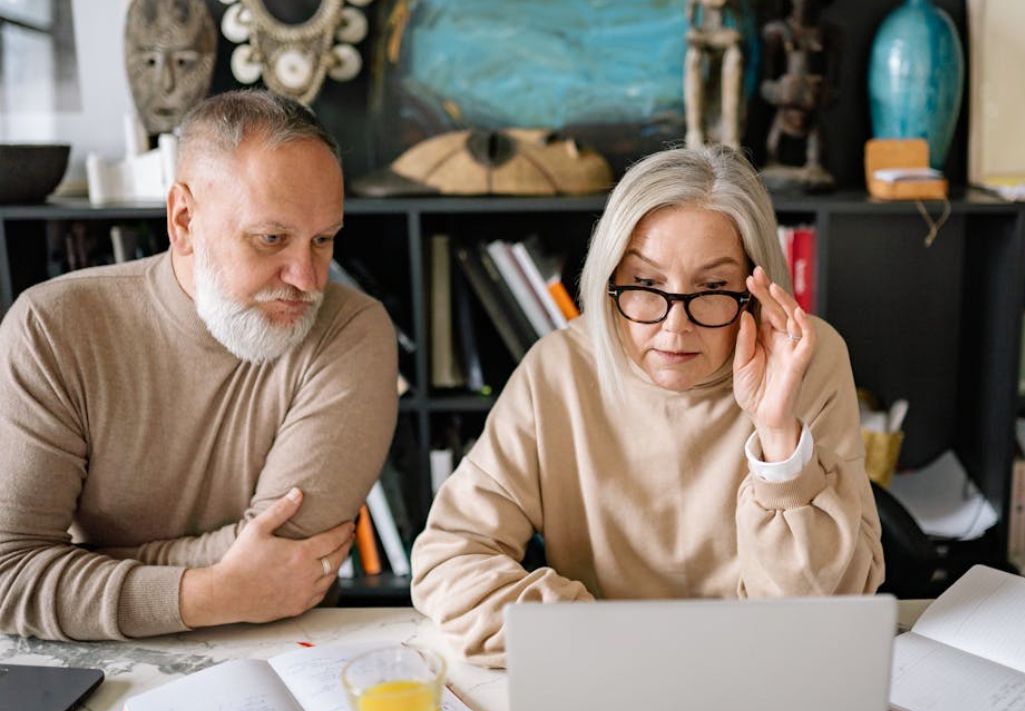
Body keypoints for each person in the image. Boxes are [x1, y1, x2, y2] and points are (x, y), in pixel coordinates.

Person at [410, 145, 885, 668]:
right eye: (645, 284)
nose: (674, 327)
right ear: (609, 277)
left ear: (755, 289)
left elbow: (825, 611)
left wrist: (778, 437)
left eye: (713, 287)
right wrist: (602, 637)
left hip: (760, 670)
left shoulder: (805, 359)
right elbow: (448, 561)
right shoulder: (560, 367)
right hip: (604, 669)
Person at [0, 90, 398, 641]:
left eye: (323, 239)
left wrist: (85, 563)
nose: (308, 279)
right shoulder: (52, 327)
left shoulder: (350, 329)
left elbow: (291, 556)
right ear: (184, 220)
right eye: (271, 239)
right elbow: (10, 575)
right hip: (96, 659)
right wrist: (209, 593)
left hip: (285, 649)